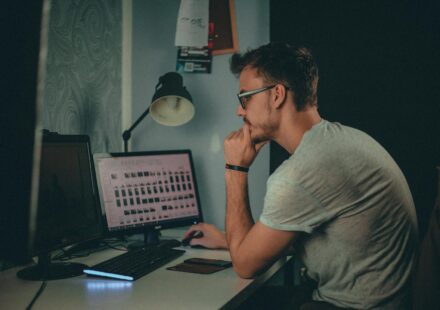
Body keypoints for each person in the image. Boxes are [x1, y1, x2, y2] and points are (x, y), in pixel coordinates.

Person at [184, 42, 418, 309]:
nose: (240, 110)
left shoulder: (302, 172)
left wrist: (235, 169)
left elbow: (245, 266)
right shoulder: (338, 141)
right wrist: (228, 240)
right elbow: (294, 239)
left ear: (277, 95)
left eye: (245, 97)